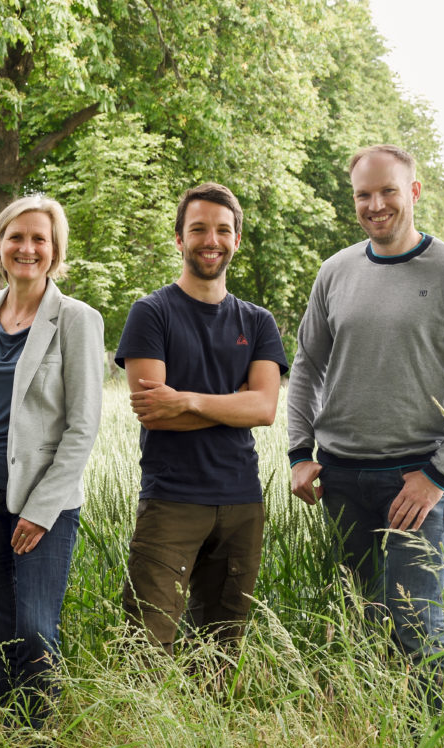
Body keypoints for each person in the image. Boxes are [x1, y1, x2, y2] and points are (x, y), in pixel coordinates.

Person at [287, 144, 444, 710]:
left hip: (414, 482)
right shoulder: (335, 272)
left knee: (415, 628)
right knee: (358, 628)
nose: (376, 204)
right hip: (339, 481)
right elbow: (307, 366)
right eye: (364, 194)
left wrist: (437, 476)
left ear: (413, 192)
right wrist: (299, 452)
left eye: (388, 191)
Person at [0, 196, 104, 730]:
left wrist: (41, 509)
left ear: (55, 251)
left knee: (34, 626)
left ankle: (43, 736)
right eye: (16, 237)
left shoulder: (77, 319)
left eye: (40, 239)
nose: (27, 248)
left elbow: (83, 426)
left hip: (44, 505)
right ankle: (14, 733)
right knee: (0, 622)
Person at [114, 182, 289, 657]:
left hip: (242, 503)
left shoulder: (257, 322)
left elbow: (265, 409)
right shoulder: (151, 313)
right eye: (198, 229)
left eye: (222, 230)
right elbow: (154, 413)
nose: (210, 239)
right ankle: (141, 732)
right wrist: (233, 405)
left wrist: (187, 401)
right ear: (179, 239)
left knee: (220, 648)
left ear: (237, 240)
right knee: (145, 646)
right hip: (172, 502)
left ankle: (209, 732)